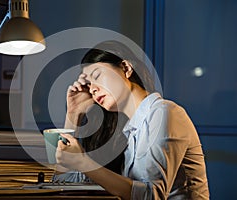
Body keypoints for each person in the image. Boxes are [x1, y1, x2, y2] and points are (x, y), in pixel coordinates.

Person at [55, 40, 210, 200]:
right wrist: (73, 114)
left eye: (97, 76)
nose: (92, 89)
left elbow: (152, 195)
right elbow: (62, 183)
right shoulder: (125, 128)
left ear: (126, 68)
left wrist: (83, 162)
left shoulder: (164, 112)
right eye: (88, 84)